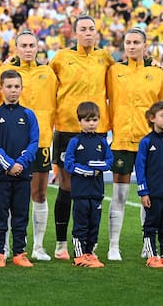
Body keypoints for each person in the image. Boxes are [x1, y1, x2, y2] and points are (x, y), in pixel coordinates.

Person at [50, 14, 114, 260]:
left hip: (96, 130)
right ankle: (60, 243)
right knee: (67, 186)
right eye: (83, 29)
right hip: (66, 128)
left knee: (92, 186)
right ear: (75, 33)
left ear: (96, 33)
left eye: (92, 29)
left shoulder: (104, 57)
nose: (88, 33)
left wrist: (150, 61)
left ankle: (87, 240)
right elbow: (44, 79)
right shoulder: (61, 58)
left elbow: (124, 69)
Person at [106, 27, 163, 261]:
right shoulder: (114, 70)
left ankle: (148, 244)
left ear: (145, 45)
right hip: (121, 139)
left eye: (136, 42)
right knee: (119, 195)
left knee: (148, 196)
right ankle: (114, 246)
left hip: (148, 141)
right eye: (128, 42)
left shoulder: (157, 74)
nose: (131, 46)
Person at [0, 30, 57, 261]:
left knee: (39, 193)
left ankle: (38, 246)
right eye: (24, 45)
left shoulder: (48, 73)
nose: (29, 49)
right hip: (10, 141)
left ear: (38, 47)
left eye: (32, 45)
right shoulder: (5, 72)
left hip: (40, 141)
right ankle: (9, 247)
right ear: (16, 48)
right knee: (11, 196)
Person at [0, 70, 39, 268]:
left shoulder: (28, 114)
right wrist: (8, 164)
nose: (13, 91)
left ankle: (19, 252)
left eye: (17, 87)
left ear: (22, 89)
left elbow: (34, 142)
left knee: (20, 215)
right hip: (1, 175)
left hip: (23, 175)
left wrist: (21, 164)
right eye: (9, 87)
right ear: (1, 89)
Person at [64, 101, 113, 268]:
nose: (91, 123)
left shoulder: (102, 141)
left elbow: (109, 162)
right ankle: (79, 255)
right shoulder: (75, 141)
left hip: (97, 192)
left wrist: (95, 165)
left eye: (94, 120)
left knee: (94, 224)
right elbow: (69, 164)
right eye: (87, 120)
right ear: (80, 122)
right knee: (81, 225)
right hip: (80, 192)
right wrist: (89, 171)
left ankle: (90, 253)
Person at [135, 101, 163, 268]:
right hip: (153, 192)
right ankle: (152, 255)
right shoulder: (146, 142)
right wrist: (143, 192)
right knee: (151, 224)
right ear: (152, 118)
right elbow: (140, 168)